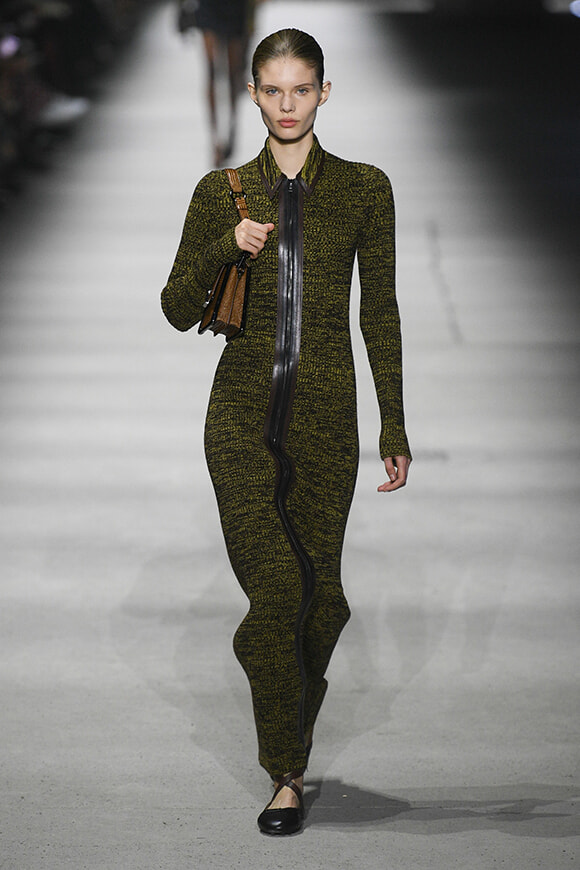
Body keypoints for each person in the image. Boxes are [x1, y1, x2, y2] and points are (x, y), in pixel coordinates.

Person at [161, 28, 411, 835]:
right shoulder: (222, 191)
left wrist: (394, 421)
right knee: (277, 593)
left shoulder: (365, 189)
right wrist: (221, 246)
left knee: (323, 604)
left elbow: (379, 311)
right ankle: (287, 773)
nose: (287, 104)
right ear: (253, 94)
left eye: (302, 89)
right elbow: (174, 307)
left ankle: (283, 715)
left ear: (324, 92)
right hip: (238, 416)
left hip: (328, 420)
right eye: (272, 90)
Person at [178, 0, 262, 165]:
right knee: (212, 71)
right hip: (209, 6)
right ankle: (215, 140)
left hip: (235, 7)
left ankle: (231, 130)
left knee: (232, 73)